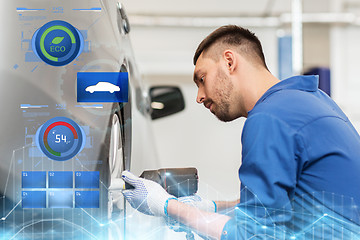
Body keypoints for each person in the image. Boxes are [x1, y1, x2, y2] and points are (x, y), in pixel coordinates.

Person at [121, 25, 360, 239]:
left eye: (202, 79)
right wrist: (211, 208)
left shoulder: (270, 117)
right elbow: (278, 207)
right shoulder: (308, 101)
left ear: (229, 61)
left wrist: (167, 205)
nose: (199, 97)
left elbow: (252, 235)